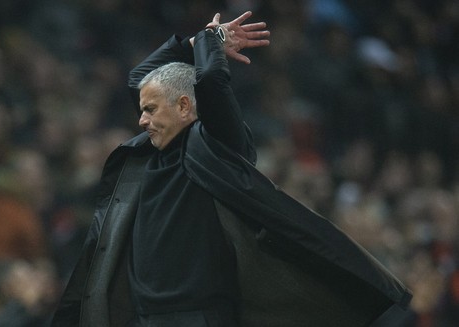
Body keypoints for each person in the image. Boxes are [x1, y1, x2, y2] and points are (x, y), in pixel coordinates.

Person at [51, 11, 412, 327]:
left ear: (183, 106)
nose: (141, 119)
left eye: (150, 110)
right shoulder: (153, 150)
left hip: (198, 318)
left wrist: (211, 38)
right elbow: (138, 78)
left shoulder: (216, 146)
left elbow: (209, 80)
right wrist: (189, 42)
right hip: (143, 318)